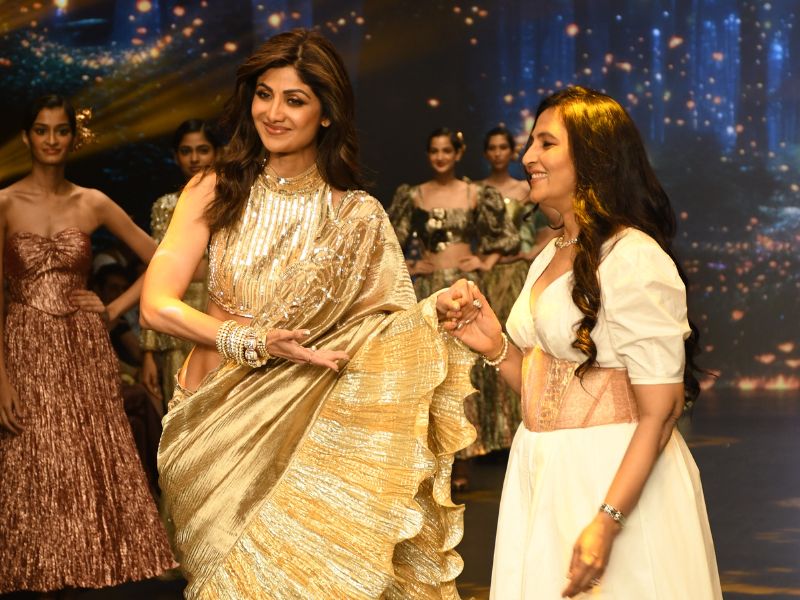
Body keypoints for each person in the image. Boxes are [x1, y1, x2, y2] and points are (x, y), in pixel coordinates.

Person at [140, 29, 477, 598]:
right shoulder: (214, 188)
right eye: (264, 94)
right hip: (210, 431)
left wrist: (430, 315)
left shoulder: (357, 215)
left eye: (294, 100)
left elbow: (382, 331)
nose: (273, 113)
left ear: (326, 113)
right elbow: (156, 305)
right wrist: (254, 341)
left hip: (310, 439)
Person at [446, 87, 721, 598]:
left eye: (546, 144)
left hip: (611, 477)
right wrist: (495, 347)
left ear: (593, 157)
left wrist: (608, 519)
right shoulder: (549, 254)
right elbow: (551, 398)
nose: (528, 157)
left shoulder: (633, 256)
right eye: (531, 142)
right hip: (543, 470)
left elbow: (661, 410)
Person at [0, 94, 175, 594]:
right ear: (27, 137)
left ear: (72, 138)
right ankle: (38, 570)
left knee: (86, 456)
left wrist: (114, 310)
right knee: (34, 458)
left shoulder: (92, 201)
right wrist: (2, 378)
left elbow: (163, 258)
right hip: (25, 344)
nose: (51, 140)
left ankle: (85, 567)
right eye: (42, 130)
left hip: (83, 346)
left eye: (60, 130)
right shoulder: (5, 203)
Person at [389, 128, 520, 488]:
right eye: (434, 151)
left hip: (464, 292)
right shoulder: (413, 195)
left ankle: (464, 458)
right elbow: (389, 243)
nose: (440, 157)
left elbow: (507, 237)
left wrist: (484, 261)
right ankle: (434, 457)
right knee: (433, 372)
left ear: (458, 153)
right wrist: (412, 266)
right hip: (430, 292)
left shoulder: (476, 194)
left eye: (447, 151)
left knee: (466, 372)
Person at [476, 126, 558, 453]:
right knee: (488, 348)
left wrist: (531, 252)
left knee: (521, 343)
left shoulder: (528, 188)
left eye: (503, 147)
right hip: (487, 277)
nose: (497, 153)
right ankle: (491, 434)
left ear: (512, 152)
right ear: (486, 153)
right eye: (492, 147)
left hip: (519, 274)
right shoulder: (478, 191)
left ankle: (519, 425)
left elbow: (555, 224)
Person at [140, 119, 222, 406]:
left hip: (219, 321)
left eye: (203, 150)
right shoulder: (165, 206)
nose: (195, 158)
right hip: (175, 327)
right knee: (179, 412)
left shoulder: (231, 199)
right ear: (176, 156)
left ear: (218, 153)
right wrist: (148, 352)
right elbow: (155, 275)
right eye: (186, 151)